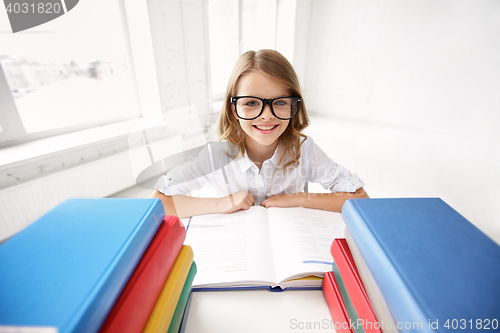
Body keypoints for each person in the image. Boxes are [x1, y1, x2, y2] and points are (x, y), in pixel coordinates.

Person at [149, 49, 368, 217]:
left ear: (294, 106)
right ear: (234, 109)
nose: (266, 116)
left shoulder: (304, 150)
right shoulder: (214, 156)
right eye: (252, 103)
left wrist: (296, 198)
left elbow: (360, 198)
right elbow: (158, 202)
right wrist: (222, 203)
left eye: (280, 102)